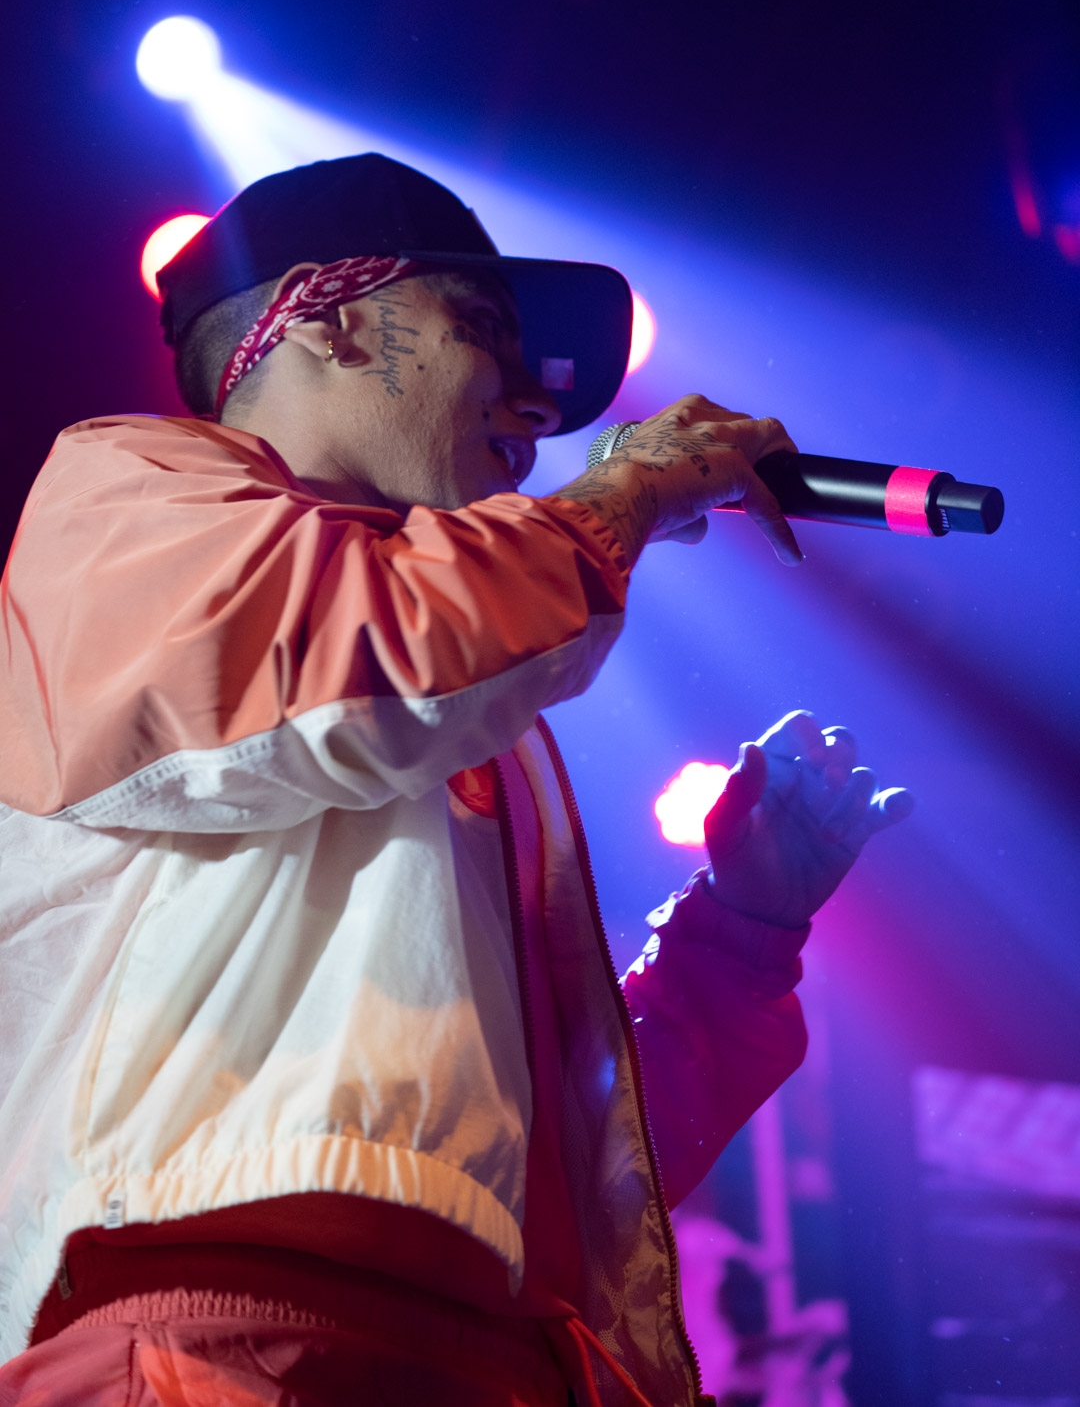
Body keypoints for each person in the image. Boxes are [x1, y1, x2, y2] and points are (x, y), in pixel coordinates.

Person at [0, 153, 911, 1407]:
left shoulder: (474, 705)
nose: (535, 410)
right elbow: (375, 652)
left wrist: (739, 937)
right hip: (219, 1338)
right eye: (481, 328)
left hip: (483, 1359)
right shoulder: (131, 499)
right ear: (325, 320)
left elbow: (570, 1166)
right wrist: (624, 494)